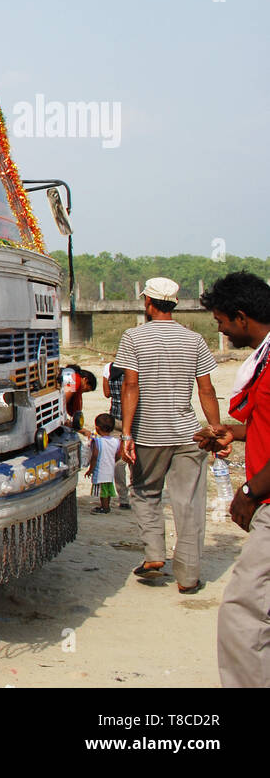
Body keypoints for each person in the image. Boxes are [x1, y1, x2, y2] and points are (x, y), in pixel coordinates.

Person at [117, 277, 221, 593]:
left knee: (144, 492)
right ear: (173, 304)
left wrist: (126, 434)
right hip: (190, 435)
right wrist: (215, 432)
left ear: (148, 302)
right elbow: (206, 389)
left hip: (149, 434)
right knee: (188, 504)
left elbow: (130, 386)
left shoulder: (133, 337)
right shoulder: (195, 339)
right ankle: (188, 577)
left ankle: (154, 556)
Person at [193, 271, 270, 687]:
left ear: (242, 317)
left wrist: (248, 491)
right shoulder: (264, 359)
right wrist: (231, 432)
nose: (219, 328)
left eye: (221, 320)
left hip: (267, 499)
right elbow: (264, 423)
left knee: (244, 612)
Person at [103, 361, 131, 509]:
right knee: (134, 458)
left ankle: (123, 498)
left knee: (118, 462)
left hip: (115, 418)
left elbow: (107, 394)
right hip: (132, 420)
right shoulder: (133, 366)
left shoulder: (108, 367)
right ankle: (138, 493)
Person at [81, 413, 121, 514]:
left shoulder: (98, 441)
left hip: (101, 470)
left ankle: (104, 507)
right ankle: (106, 506)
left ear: (97, 428)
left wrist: (91, 469)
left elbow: (94, 457)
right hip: (110, 470)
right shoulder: (116, 441)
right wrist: (112, 461)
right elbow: (118, 455)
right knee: (107, 489)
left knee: (102, 492)